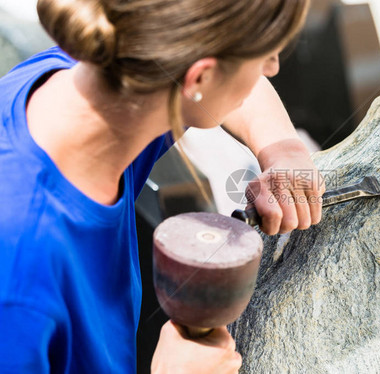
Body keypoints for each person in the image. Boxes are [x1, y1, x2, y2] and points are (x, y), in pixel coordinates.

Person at [0, 0, 325, 372]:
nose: (273, 67)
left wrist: (282, 148)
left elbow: (237, 91)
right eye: (266, 55)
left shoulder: (103, 72)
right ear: (199, 80)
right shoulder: (19, 278)